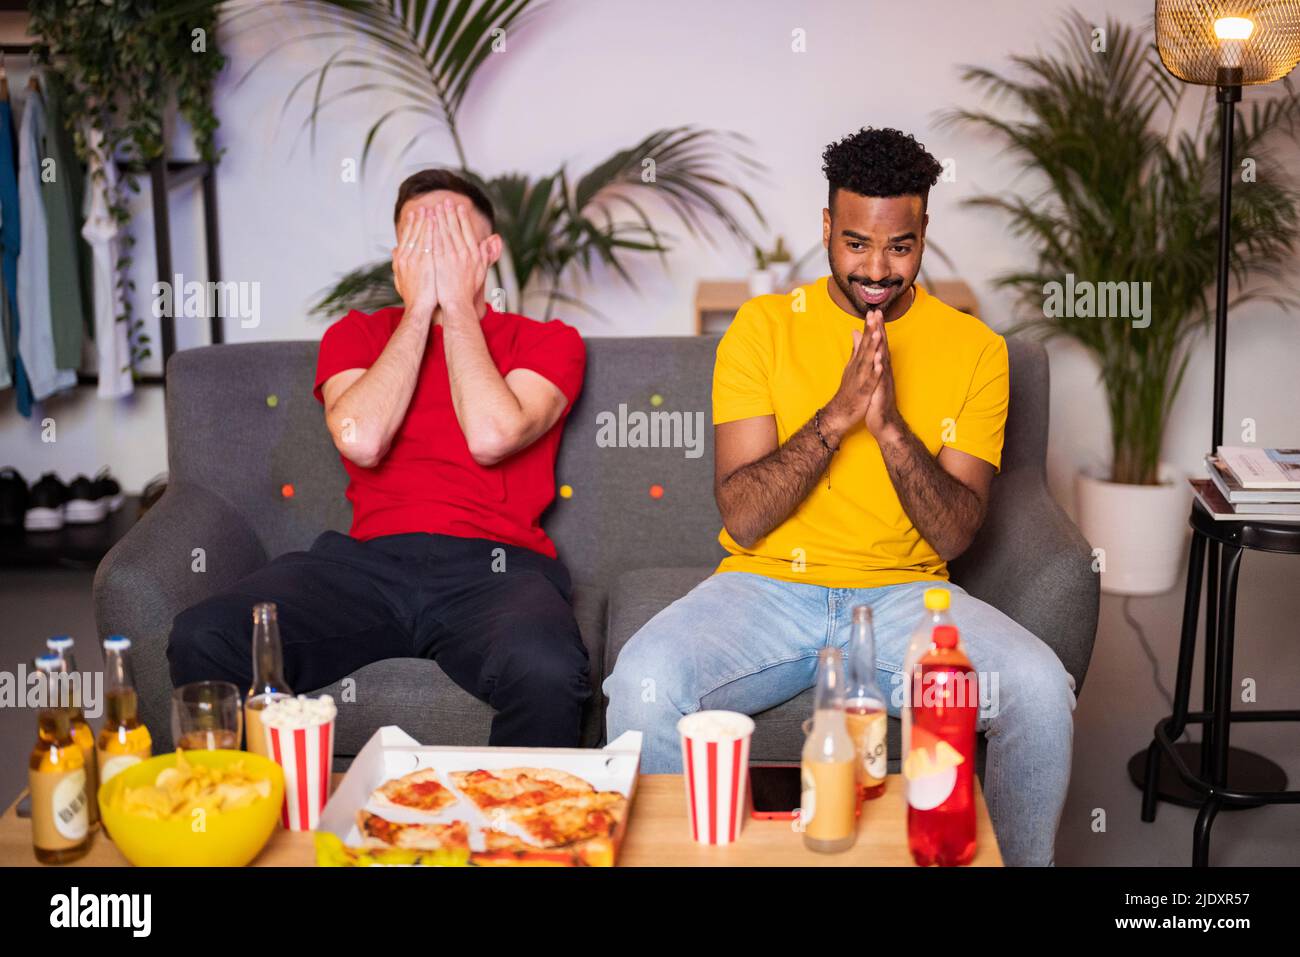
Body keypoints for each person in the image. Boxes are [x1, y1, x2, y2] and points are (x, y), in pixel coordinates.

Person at [603, 128, 1077, 866]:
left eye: (901, 246)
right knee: (643, 680)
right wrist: (835, 417)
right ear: (826, 227)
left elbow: (956, 536)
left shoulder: (978, 350)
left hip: (904, 601)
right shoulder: (760, 330)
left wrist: (888, 427)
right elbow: (743, 514)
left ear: (924, 234)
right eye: (856, 243)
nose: (878, 269)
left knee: (1041, 690)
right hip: (764, 587)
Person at [168, 169, 591, 746]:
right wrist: (420, 313)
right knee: (204, 635)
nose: (436, 255)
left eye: (453, 240)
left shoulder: (546, 341)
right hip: (367, 567)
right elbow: (360, 438)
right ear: (398, 260)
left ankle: (517, 833)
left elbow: (492, 434)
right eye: (421, 242)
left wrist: (458, 310)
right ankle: (232, 821)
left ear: (488, 251)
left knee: (547, 671)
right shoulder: (358, 335)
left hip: (497, 570)